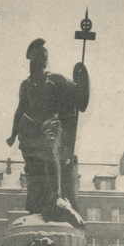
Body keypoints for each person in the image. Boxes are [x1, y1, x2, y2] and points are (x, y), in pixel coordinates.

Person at [6, 38, 81, 218]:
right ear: (32, 59)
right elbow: (20, 109)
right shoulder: (26, 84)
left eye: (46, 56)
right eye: (40, 56)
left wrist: (81, 82)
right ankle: (35, 204)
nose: (44, 59)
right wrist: (13, 134)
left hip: (50, 123)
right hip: (30, 127)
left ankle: (56, 198)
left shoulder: (56, 79)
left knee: (49, 152)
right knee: (32, 166)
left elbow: (78, 91)